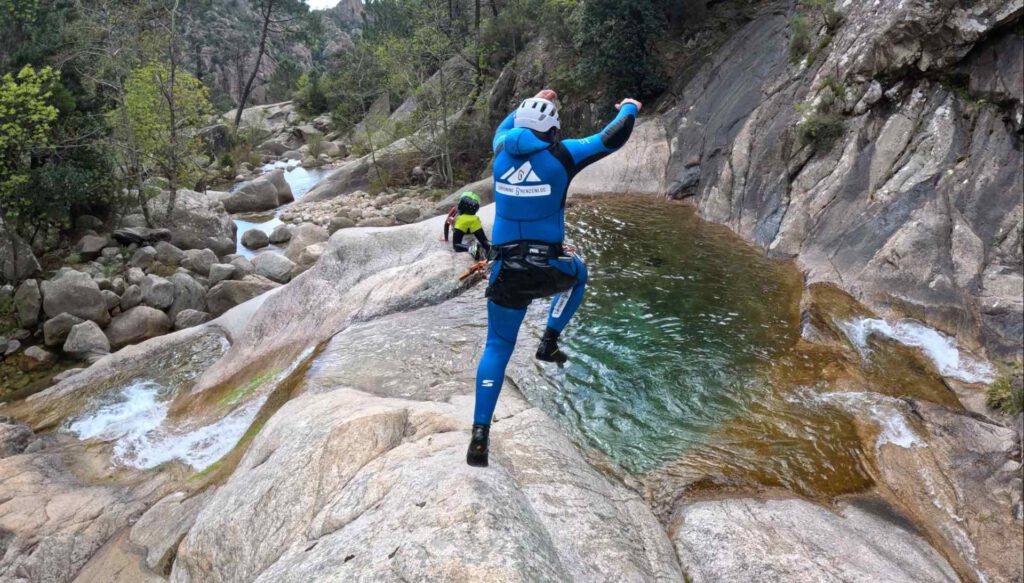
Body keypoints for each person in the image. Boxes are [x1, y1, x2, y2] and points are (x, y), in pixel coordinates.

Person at [467, 89, 642, 467]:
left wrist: (527, 101)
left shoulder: (500, 150)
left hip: (506, 270)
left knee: (497, 346)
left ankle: (479, 435)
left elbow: (503, 126)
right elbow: (614, 136)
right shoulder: (562, 155)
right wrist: (629, 106)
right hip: (549, 268)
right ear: (552, 130)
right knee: (579, 275)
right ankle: (549, 340)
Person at [448, 191, 490, 258]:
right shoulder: (476, 218)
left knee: (456, 245)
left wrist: (452, 223)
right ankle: (490, 248)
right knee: (484, 241)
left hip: (461, 225)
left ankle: (471, 248)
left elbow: (447, 223)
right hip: (474, 223)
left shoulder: (459, 217)